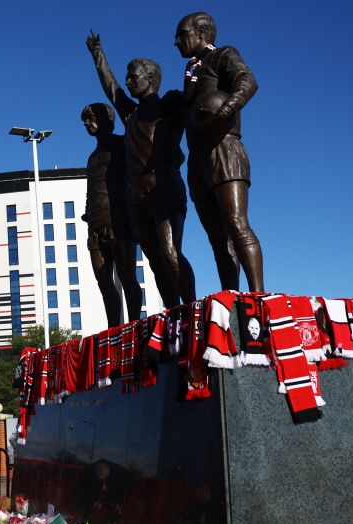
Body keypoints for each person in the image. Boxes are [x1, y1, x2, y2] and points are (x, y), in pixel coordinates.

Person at [87, 31, 196, 307]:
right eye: (128, 77)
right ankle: (174, 314)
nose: (128, 81)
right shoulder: (130, 114)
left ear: (151, 79)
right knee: (157, 263)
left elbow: (193, 103)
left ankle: (191, 310)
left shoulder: (168, 105)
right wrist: (97, 53)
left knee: (171, 252)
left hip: (165, 192)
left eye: (134, 76)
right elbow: (110, 86)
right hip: (139, 202)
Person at [174, 11, 263, 292]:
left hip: (224, 148)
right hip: (198, 158)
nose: (176, 42)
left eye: (181, 34)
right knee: (217, 239)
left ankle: (258, 297)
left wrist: (224, 111)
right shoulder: (190, 74)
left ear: (201, 33)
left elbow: (248, 82)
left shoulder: (223, 54)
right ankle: (232, 299)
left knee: (237, 224)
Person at [81, 103, 140, 326]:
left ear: (106, 118)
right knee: (104, 283)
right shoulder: (92, 157)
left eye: (90, 117)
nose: (87, 123)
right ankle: (114, 330)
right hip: (95, 225)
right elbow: (90, 191)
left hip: (120, 221)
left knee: (127, 278)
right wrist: (88, 214)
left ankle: (134, 325)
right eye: (84, 120)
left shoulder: (122, 144)